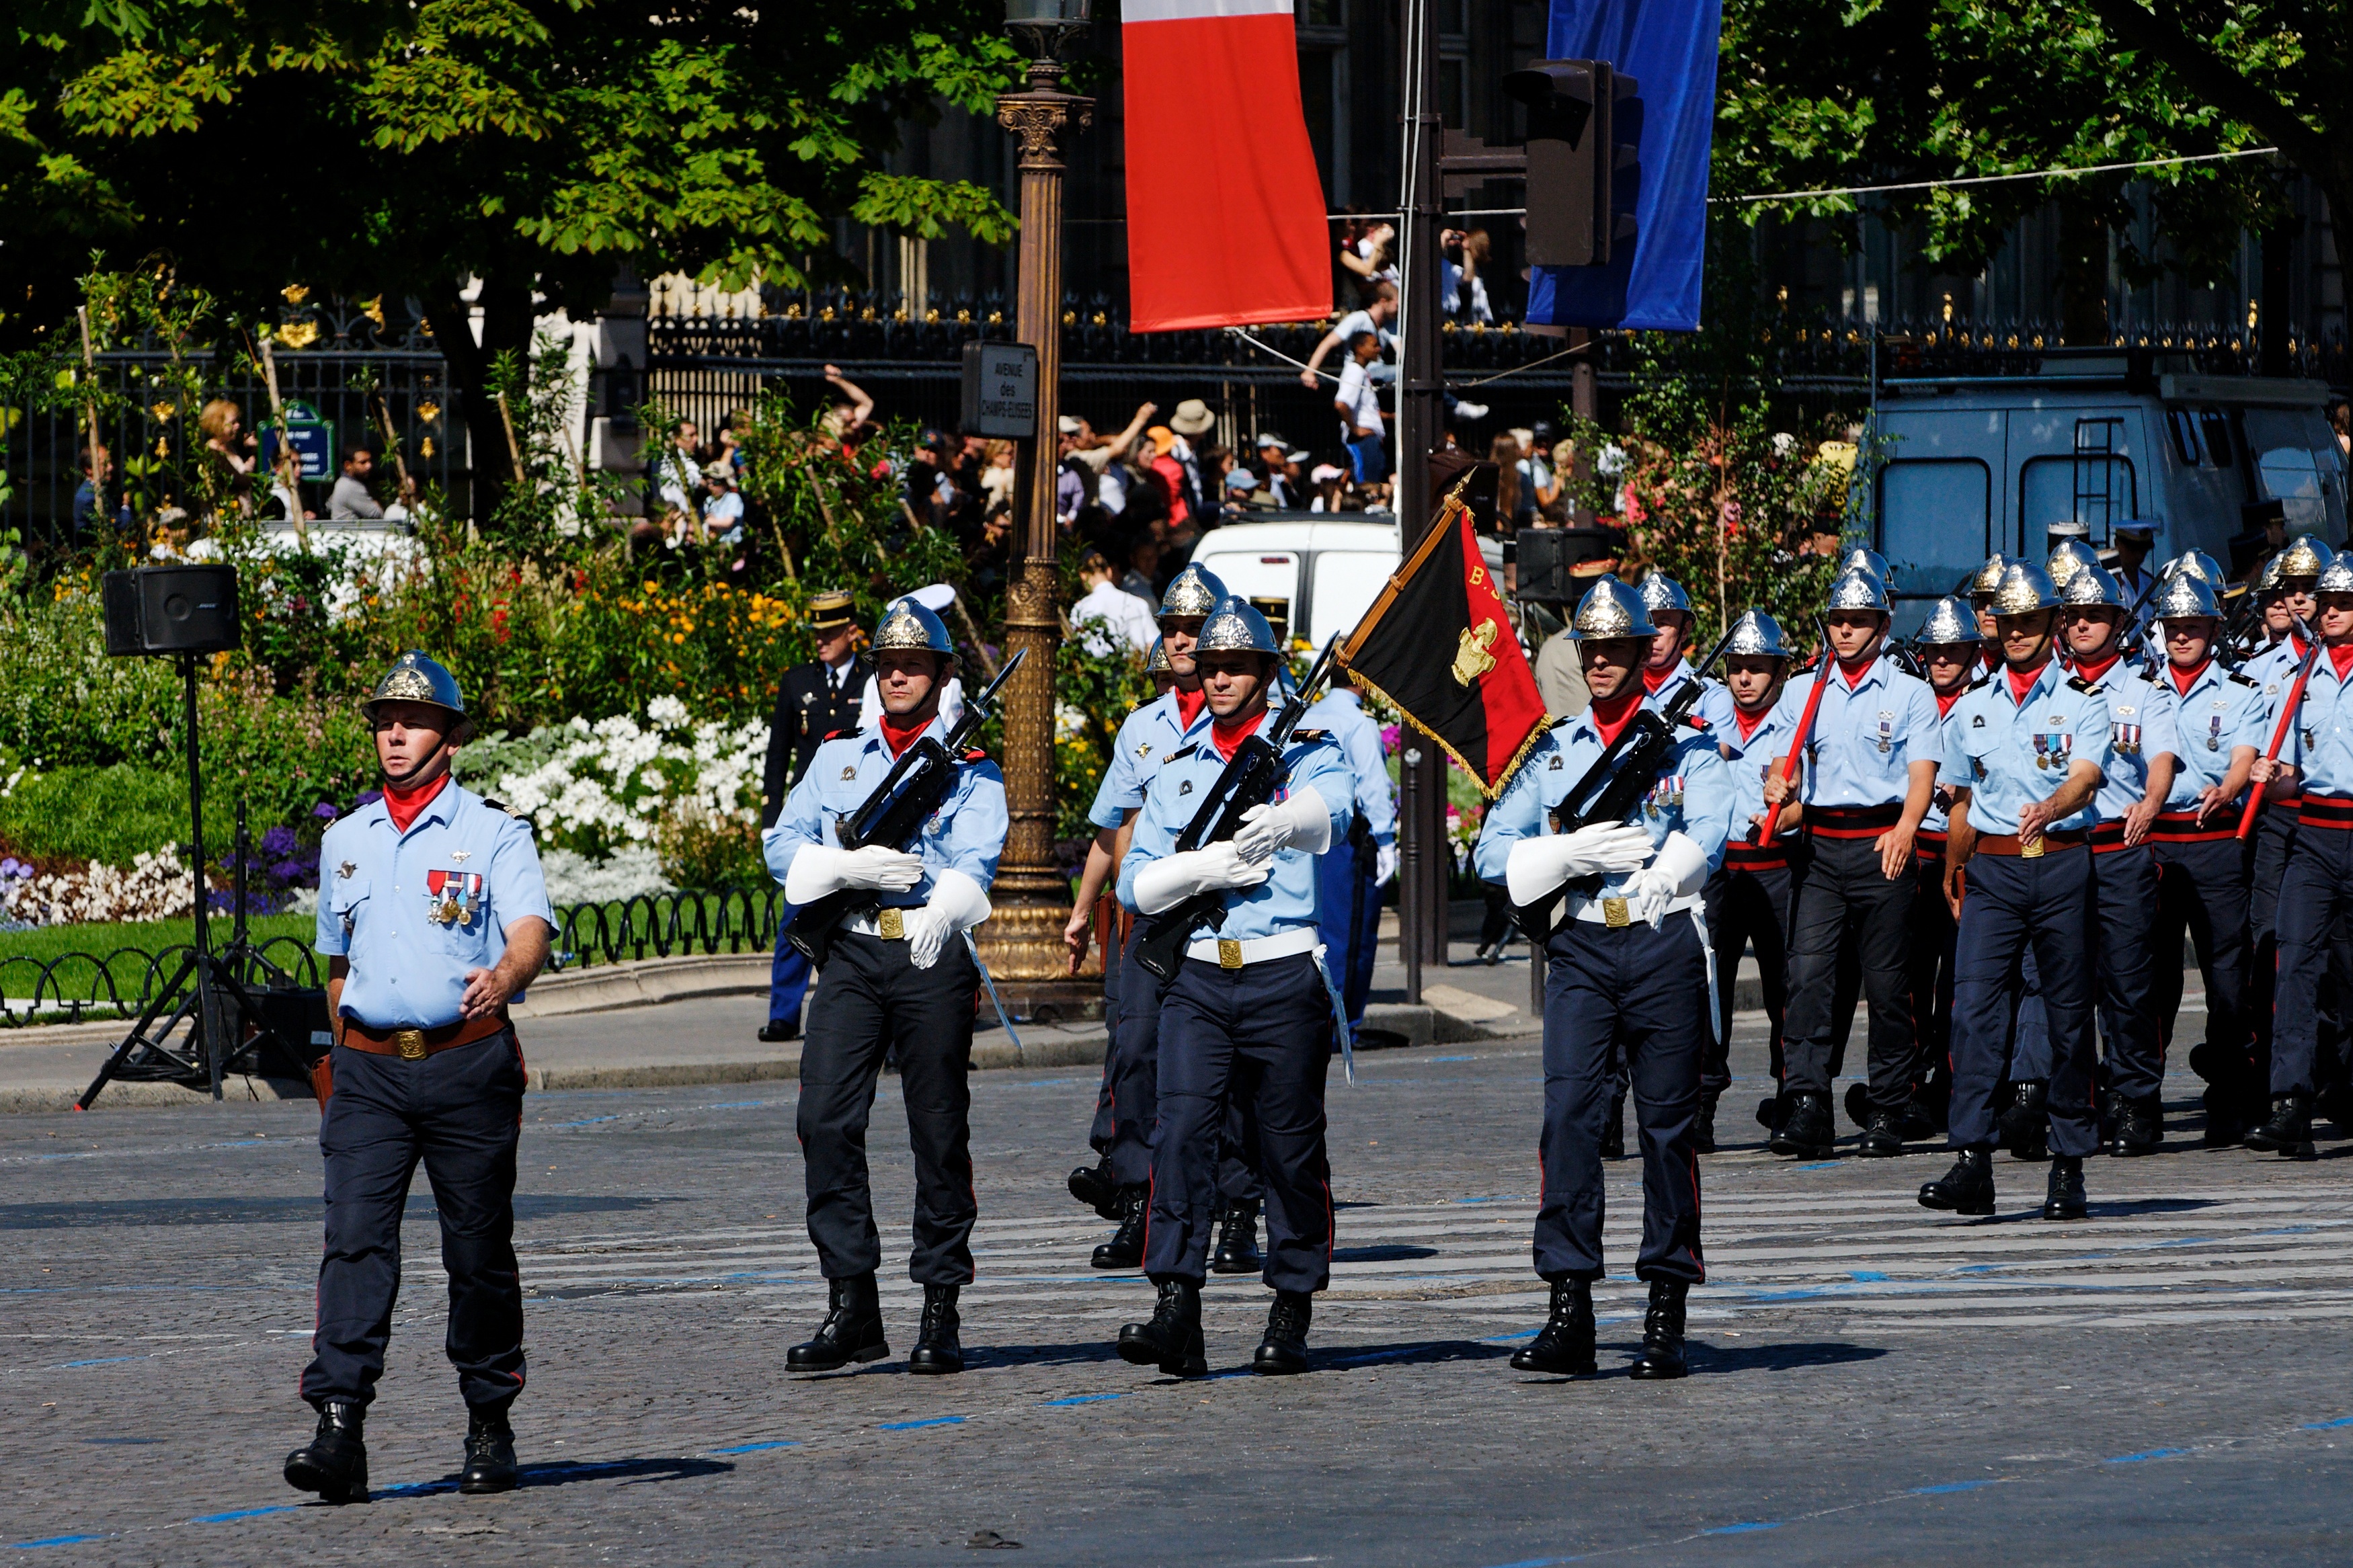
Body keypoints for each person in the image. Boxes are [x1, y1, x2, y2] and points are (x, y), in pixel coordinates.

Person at [283, 651, 553, 1503]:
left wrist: (506, 976)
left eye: (413, 721)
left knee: (476, 1252)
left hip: (466, 1062)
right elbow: (337, 958)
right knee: (354, 1242)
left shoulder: (495, 832)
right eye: (383, 723)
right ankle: (339, 1427)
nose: (394, 735)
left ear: (452, 735)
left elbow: (530, 930)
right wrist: (346, 1041)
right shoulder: (346, 840)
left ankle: (488, 1416)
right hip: (370, 1071)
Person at [1474, 575, 1733, 1380]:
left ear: (1640, 654)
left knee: (1665, 1129)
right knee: (1570, 1123)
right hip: (1582, 944)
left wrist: (1675, 871)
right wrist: (1565, 853)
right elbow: (1491, 851)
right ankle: (1568, 1306)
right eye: (1590, 650)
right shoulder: (1552, 748)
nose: (1601, 663)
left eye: (1616, 650)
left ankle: (1664, 1306)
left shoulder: (1686, 741)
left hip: (1657, 943)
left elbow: (1714, 825)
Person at [764, 597, 1008, 1375]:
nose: (897, 673)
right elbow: (783, 842)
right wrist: (843, 868)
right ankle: (852, 1302)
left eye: (913, 664)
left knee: (938, 1130)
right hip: (852, 951)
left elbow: (977, 864)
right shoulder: (838, 754)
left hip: (929, 956)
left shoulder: (971, 769)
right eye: (886, 664)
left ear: (941, 675)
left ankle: (940, 1303)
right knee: (824, 1118)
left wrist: (946, 905)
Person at [1111, 597, 1353, 1378]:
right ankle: (1174, 1302)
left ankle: (1290, 1303)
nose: (1216, 678)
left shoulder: (1302, 749)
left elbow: (1337, 808)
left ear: (1265, 674)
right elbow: (1135, 882)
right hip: (1199, 974)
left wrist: (1284, 819)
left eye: (1234, 666)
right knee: (1179, 1133)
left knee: (1287, 1146)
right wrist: (1199, 869)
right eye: (1208, 666)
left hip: (1283, 970)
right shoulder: (1177, 768)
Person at [1062, 567, 1265, 1274]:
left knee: (1234, 1070)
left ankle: (1239, 1209)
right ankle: (1140, 1204)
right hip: (1150, 918)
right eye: (1172, 629)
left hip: (1226, 914)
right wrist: (1088, 908)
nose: (1181, 640)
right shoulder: (1142, 727)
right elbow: (1114, 826)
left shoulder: (1260, 721)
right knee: (1139, 1055)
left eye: (1195, 628)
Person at [1920, 561, 2110, 1221]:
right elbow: (1962, 802)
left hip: (2058, 864)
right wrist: (1951, 863)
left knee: (2064, 1018)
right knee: (1972, 1012)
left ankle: (2068, 1163)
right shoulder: (1970, 709)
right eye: (2008, 622)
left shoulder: (2082, 701)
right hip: (1993, 871)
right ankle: (1971, 1157)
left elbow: (2084, 778)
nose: (2018, 633)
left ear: (2052, 623)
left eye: (2031, 621)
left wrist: (2051, 805)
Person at [1761, 567, 1941, 1158]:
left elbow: (1922, 776)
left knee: (1890, 985)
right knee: (1808, 976)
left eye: (1858, 621)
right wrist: (1775, 786)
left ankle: (1890, 1104)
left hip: (1881, 839)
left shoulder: (1909, 692)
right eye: (1837, 620)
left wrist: (1906, 830)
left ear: (1883, 627)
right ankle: (1807, 1100)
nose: (1844, 631)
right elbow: (1781, 770)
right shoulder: (1801, 690)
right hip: (1819, 844)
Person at [2053, 562, 2176, 1156]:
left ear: (2120, 621)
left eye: (2094, 615)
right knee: (2067, 985)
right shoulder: (2048, 688)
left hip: (2122, 847)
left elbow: (2160, 759)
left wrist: (2151, 802)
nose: (2082, 624)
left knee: (2128, 983)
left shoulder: (2142, 693)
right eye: (2073, 615)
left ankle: (2136, 1100)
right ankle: (2080, 1100)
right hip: (2062, 851)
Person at [2145, 570, 2267, 1146]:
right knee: (2151, 974)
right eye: (2174, 628)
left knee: (2226, 974)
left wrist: (2230, 786)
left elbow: (2244, 756)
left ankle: (2229, 1093)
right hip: (2156, 844)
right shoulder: (2141, 689)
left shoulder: (2239, 691)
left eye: (2194, 627)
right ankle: (2139, 1096)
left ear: (2215, 629)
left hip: (2216, 842)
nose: (2183, 637)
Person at [2245, 553, 2353, 1157]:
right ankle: (2289, 1101)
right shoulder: (2300, 674)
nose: (2328, 611)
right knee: (2295, 960)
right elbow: (2293, 777)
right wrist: (2274, 774)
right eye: (2325, 602)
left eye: (2341, 603)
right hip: (2313, 832)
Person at [1704, 608, 1803, 1152]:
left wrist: (1785, 809)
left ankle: (1791, 1098)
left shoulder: (1797, 722)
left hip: (1775, 870)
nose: (1744, 678)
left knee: (1784, 991)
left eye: (1756, 668)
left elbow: (1801, 803)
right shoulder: (1706, 719)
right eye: (1736, 667)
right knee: (1707, 992)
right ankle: (1702, 1103)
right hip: (1720, 871)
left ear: (1778, 672)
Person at [2239, 536, 2330, 1103]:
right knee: (2269, 937)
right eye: (2290, 589)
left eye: (2309, 589)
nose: (2299, 600)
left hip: (2330, 820)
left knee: (2338, 951)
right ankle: (2273, 1070)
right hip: (2278, 820)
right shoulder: (2262, 666)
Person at [757, 591, 868, 1043]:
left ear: (851, 632)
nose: (821, 640)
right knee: (796, 915)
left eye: (830, 632)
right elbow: (778, 753)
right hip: (808, 819)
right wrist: (770, 815)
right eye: (817, 632)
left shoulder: (874, 678)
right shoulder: (797, 681)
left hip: (858, 817)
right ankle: (784, 1012)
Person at [1906, 597, 1986, 1133]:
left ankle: (1956, 1083)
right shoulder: (1909, 699)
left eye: (1952, 650)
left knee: (1960, 982)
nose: (1941, 659)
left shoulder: (1985, 700)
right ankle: (1909, 1086)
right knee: (1908, 976)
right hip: (1915, 852)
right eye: (1933, 650)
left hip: (1966, 855)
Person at [1309, 663, 1398, 1046]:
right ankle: (1341, 1025)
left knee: (1315, 932)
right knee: (1350, 935)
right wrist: (1386, 839)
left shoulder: (1309, 715)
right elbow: (1372, 785)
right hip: (1347, 839)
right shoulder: (1357, 724)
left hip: (1305, 837)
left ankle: (1316, 1019)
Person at [1298, 281, 1397, 388]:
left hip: (1380, 373)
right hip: (1362, 372)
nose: (1399, 309)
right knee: (1401, 372)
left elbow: (1400, 350)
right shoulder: (1358, 319)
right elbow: (1328, 343)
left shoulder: (1390, 325)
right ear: (1384, 302)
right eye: (1397, 305)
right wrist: (1309, 372)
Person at [1071, 547, 1158, 657]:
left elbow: (1073, 648)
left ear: (1083, 575)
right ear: (1109, 572)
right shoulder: (1138, 604)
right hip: (1134, 670)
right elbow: (1153, 645)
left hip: (1095, 672)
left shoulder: (1080, 609)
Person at [1334, 331, 1386, 491]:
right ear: (1360, 348)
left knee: (1375, 483)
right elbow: (1341, 404)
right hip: (1363, 442)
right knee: (1367, 486)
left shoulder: (1362, 373)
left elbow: (1366, 409)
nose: (1378, 349)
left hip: (1370, 440)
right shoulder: (1355, 371)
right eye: (1374, 345)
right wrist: (1356, 429)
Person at [71, 443, 134, 542]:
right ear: (89, 470)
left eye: (109, 462)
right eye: (104, 464)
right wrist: (126, 505)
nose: (110, 467)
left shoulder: (102, 488)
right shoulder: (88, 499)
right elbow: (120, 525)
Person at [326, 448, 385, 521]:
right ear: (348, 465)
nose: (369, 466)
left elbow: (329, 506)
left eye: (370, 461)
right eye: (363, 462)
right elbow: (377, 514)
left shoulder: (342, 482)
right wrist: (376, 504)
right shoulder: (351, 487)